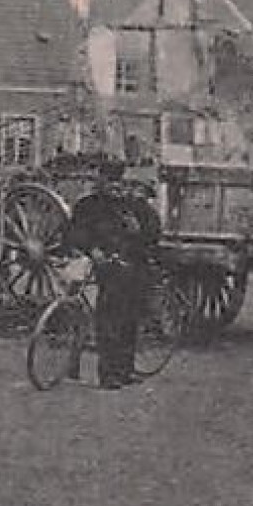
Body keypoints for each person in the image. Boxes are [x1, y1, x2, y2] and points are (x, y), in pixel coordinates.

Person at [65, 163, 162, 387]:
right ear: (99, 181)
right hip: (106, 268)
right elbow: (74, 233)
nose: (113, 186)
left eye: (117, 181)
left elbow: (153, 233)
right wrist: (92, 249)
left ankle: (125, 370)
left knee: (130, 321)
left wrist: (138, 227)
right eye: (108, 181)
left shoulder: (131, 205)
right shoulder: (88, 206)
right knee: (109, 321)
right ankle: (108, 374)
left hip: (133, 267)